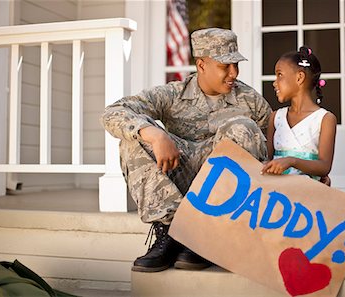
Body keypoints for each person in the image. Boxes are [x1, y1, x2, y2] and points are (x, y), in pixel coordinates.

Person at [101, 28, 272, 273]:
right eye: (226, 65)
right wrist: (155, 134)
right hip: (182, 178)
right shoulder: (173, 94)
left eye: (236, 65)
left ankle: (210, 234)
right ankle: (172, 232)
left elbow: (276, 146)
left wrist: (307, 177)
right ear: (202, 65)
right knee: (134, 137)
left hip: (225, 199)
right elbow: (113, 112)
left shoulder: (250, 100)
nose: (233, 73)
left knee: (242, 128)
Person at [261, 47, 337, 181]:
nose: (274, 83)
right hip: (277, 193)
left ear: (299, 77)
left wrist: (291, 161)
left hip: (306, 194)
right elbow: (267, 158)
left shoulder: (325, 119)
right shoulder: (276, 117)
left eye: (279, 75)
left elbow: (324, 166)